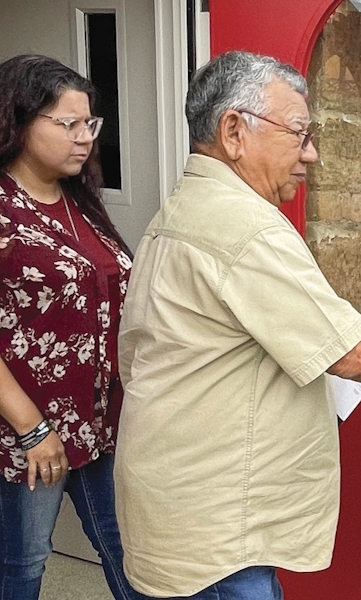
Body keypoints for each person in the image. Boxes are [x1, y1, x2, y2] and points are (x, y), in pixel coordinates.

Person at [114, 51, 361, 600]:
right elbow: (354, 354)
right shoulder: (245, 226)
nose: (312, 153)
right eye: (299, 133)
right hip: (219, 538)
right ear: (234, 130)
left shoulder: (183, 211)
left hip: (181, 506)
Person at [0, 55, 148, 600]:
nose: (84, 137)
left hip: (101, 419)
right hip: (29, 432)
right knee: (23, 563)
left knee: (124, 546)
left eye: (91, 124)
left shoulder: (80, 204)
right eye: (68, 124)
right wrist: (33, 429)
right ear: (19, 121)